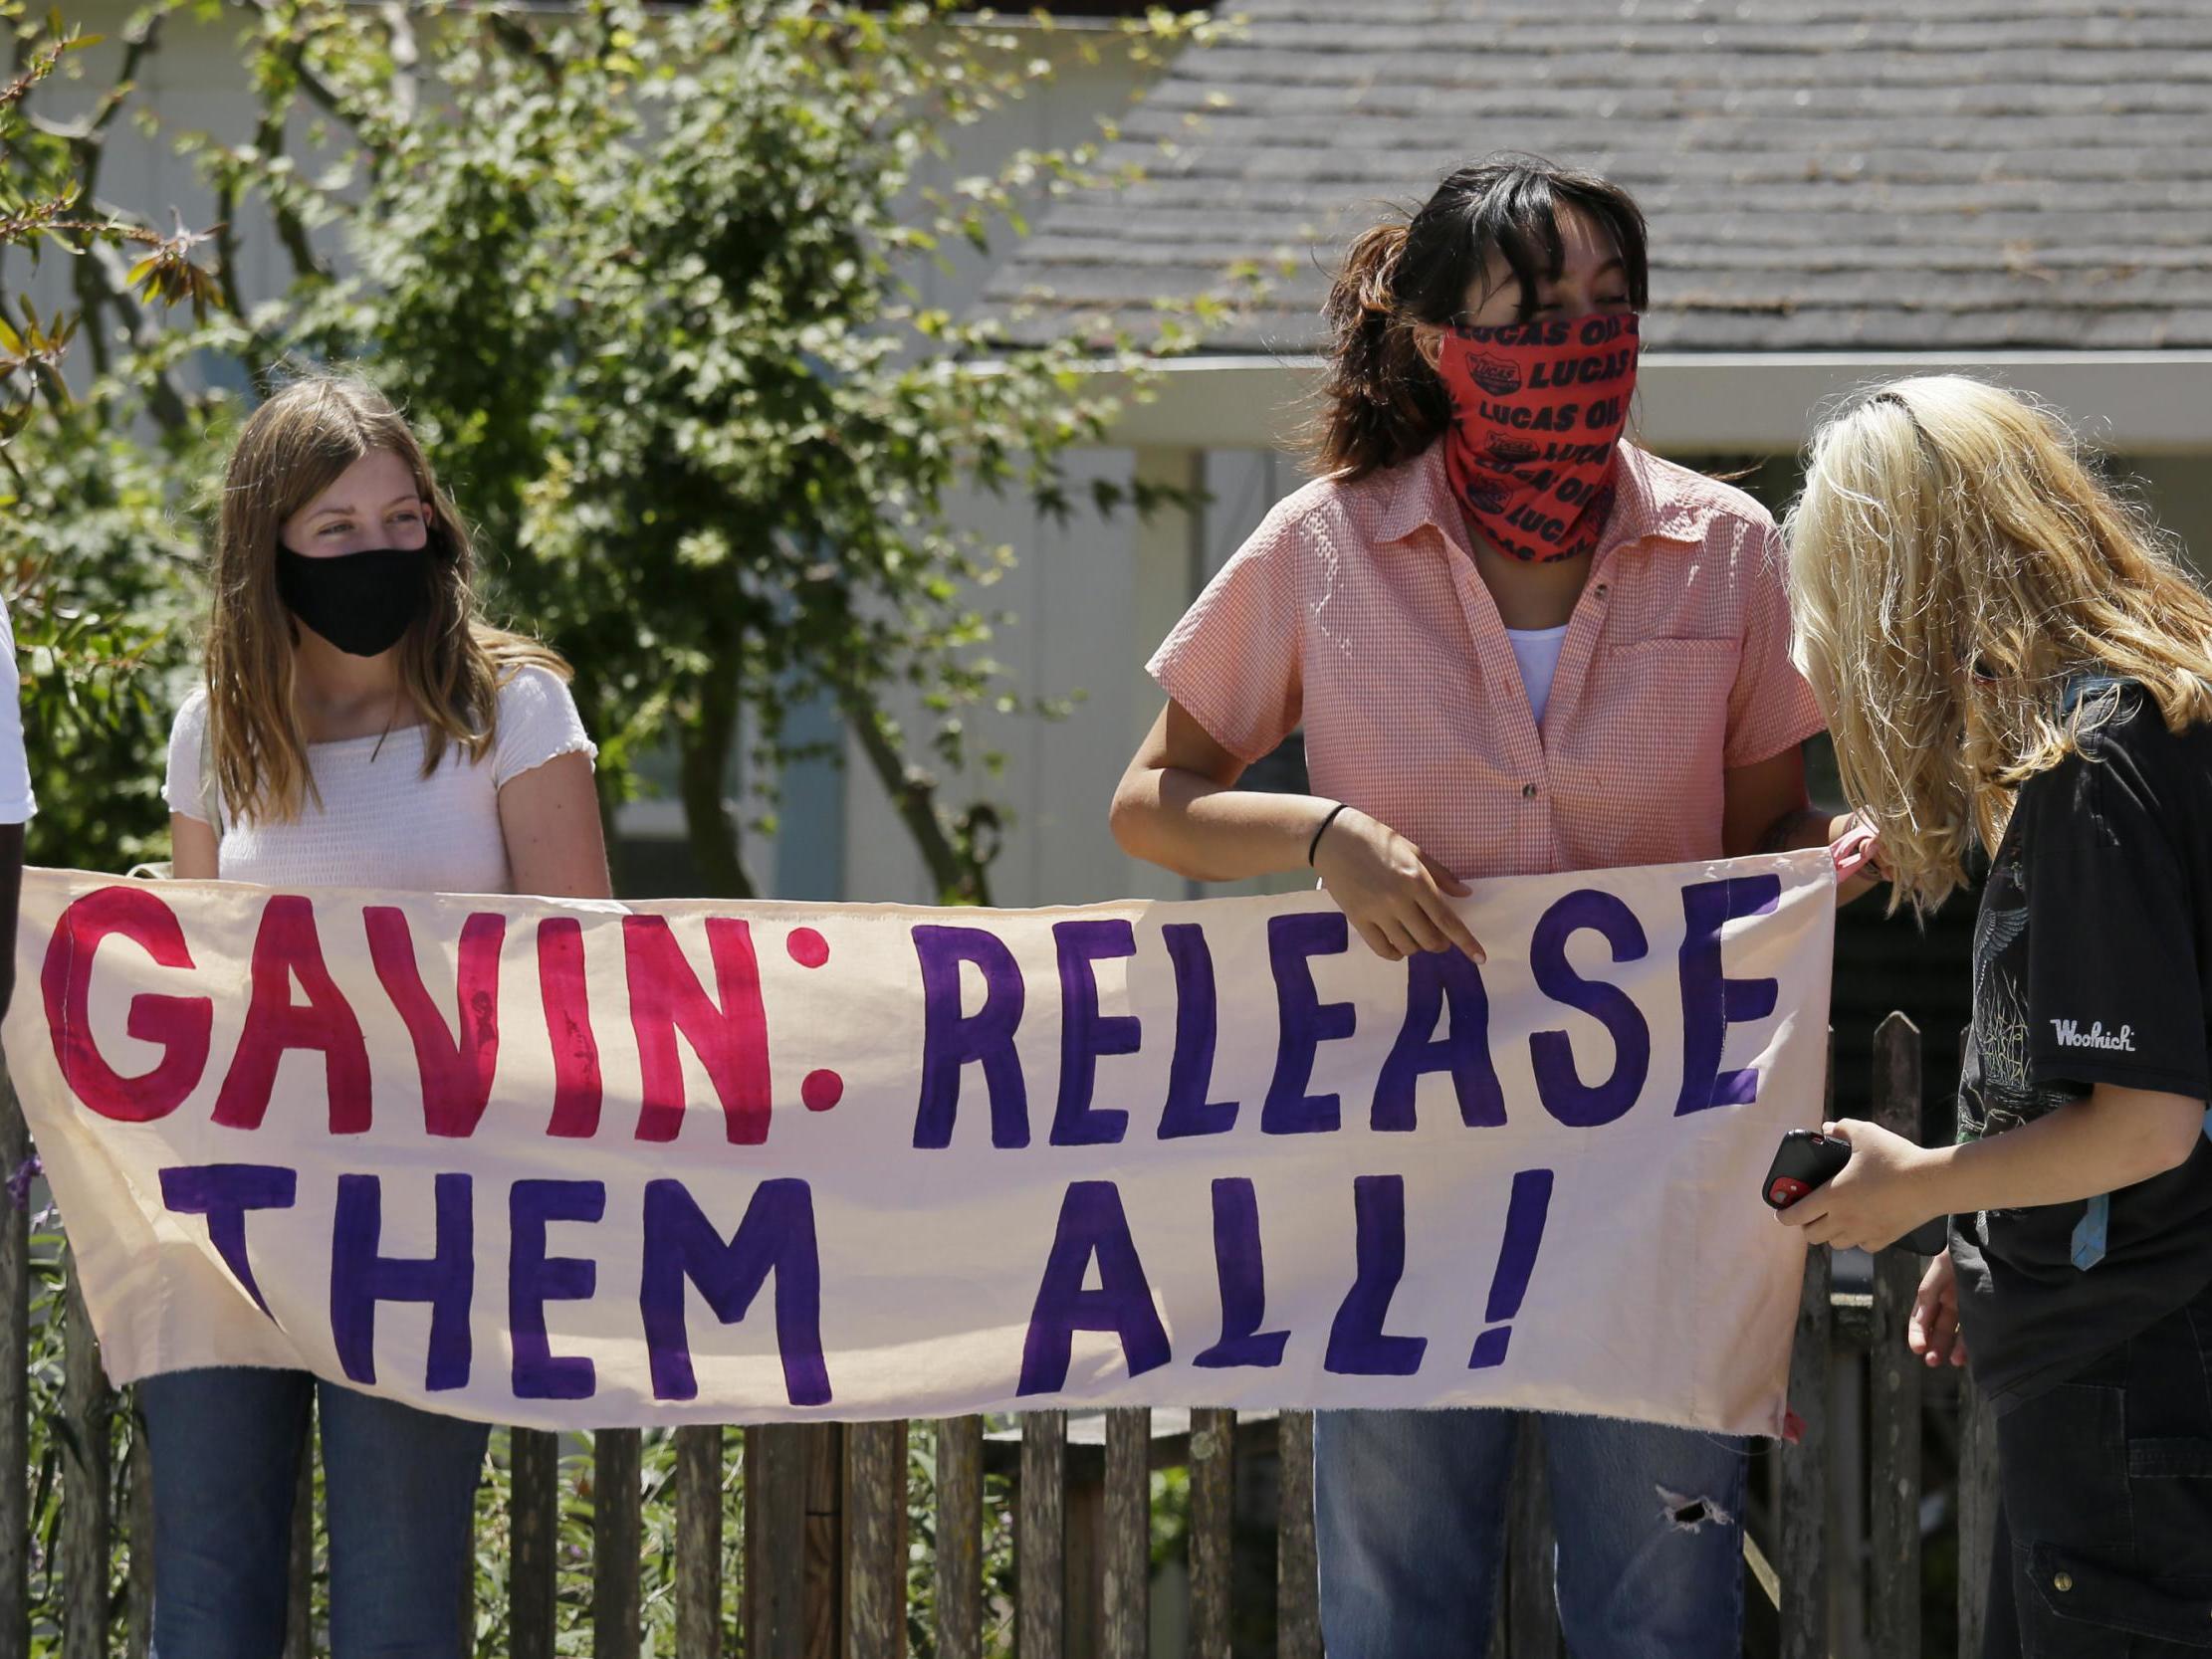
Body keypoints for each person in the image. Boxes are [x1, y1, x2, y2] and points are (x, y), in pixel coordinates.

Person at [1109, 153, 1865, 1658]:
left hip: (1650, 1174)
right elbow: (1153, 803)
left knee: (1663, 1614)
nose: (1582, 337)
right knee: (1398, 1615)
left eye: (1610, 304)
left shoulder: (1728, 551)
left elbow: (1758, 831)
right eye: (1536, 311)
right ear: (1441, 342)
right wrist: (1321, 833)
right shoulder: (1320, 549)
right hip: (1396, 1174)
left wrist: (1819, 856)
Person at [144, 371, 610, 1659]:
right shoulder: (213, 733)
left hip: (427, 1231)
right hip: (232, 1225)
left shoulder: (513, 712)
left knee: (401, 1612)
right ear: (268, 549)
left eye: (401, 519)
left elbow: (589, 981)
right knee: (203, 1605)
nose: (380, 550)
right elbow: (199, 984)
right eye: (336, 531)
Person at [1778, 376, 2212, 1658]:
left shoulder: (2091, 766)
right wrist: (1992, 1226)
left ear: (1906, 592)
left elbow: (2147, 1126)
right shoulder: (2160, 717)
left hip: (2143, 1384)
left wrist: (1921, 1183)